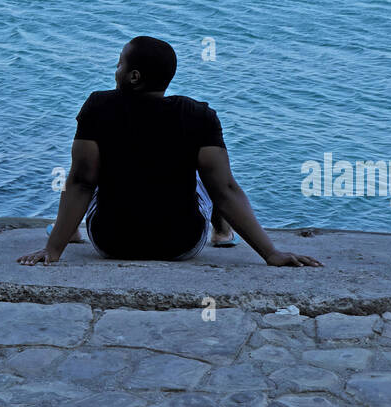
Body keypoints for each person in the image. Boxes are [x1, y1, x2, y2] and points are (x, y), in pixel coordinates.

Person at [18, 35, 322, 268]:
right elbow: (226, 190)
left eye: (119, 64)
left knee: (87, 170)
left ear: (134, 76)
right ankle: (222, 233)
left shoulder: (98, 106)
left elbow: (82, 182)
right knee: (213, 177)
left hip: (111, 242)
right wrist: (271, 253)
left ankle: (68, 232)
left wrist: (53, 250)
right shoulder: (199, 114)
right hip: (181, 245)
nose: (116, 70)